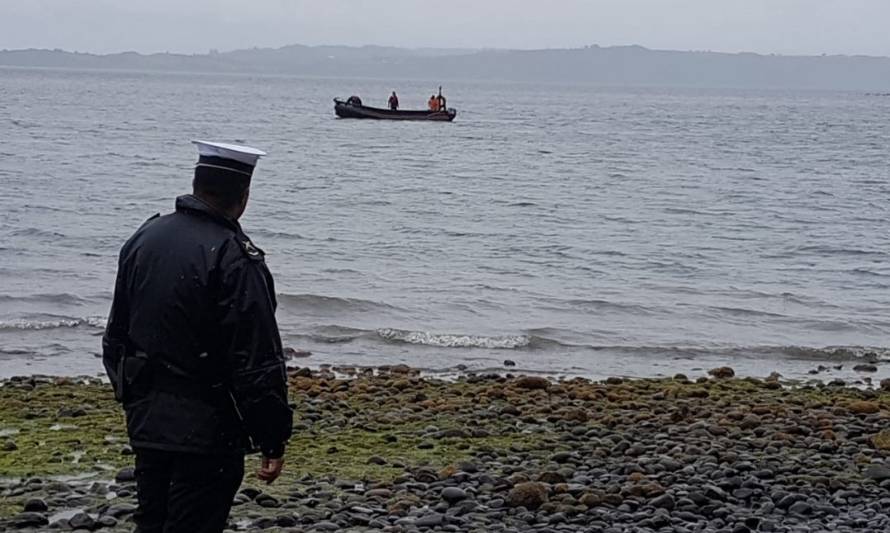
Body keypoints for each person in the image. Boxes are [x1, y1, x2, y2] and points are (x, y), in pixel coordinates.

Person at [102, 140, 293, 533]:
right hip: (209, 430)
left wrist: (132, 398)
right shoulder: (235, 257)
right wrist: (272, 439)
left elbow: (115, 337)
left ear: (195, 183)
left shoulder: (145, 238)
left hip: (148, 420)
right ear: (244, 197)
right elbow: (256, 360)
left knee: (151, 522)